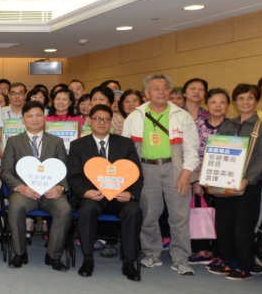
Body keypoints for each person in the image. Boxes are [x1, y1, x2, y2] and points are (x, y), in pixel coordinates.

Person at [121, 74, 199, 275]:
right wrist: (132, 175)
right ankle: (151, 253)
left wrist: (187, 171)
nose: (162, 92)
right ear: (146, 93)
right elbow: (125, 148)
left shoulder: (181, 115)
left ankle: (180, 258)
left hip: (175, 169)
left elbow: (192, 147)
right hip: (146, 170)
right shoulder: (135, 116)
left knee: (180, 216)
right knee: (149, 213)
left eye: (165, 88)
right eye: (156, 88)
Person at [202, 84, 262, 281]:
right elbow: (216, 151)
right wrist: (209, 177)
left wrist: (247, 180)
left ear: (256, 102)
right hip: (225, 183)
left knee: (243, 227)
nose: (245, 102)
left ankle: (245, 265)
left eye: (250, 98)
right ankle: (229, 262)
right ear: (235, 102)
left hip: (248, 185)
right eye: (241, 98)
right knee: (224, 225)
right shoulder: (228, 125)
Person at [69, 104, 143, 280]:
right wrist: (86, 192)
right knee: (87, 209)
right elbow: (74, 177)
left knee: (133, 210)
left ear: (111, 121)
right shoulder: (78, 145)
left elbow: (136, 175)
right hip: (92, 197)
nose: (101, 122)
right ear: (90, 121)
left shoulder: (125, 144)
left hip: (119, 196)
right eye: (97, 119)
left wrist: (130, 194)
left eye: (106, 119)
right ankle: (88, 259)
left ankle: (129, 263)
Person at [2, 101, 72, 270]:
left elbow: (65, 170)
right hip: (24, 192)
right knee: (15, 207)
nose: (34, 119)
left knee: (64, 209)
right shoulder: (13, 141)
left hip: (50, 192)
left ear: (44, 117)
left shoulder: (56, 141)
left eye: (38, 115)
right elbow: (6, 171)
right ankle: (20, 254)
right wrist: (21, 187)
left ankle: (53, 256)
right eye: (30, 116)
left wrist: (60, 187)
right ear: (23, 119)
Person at [190, 88, 230, 264]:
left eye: (222, 102)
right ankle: (202, 250)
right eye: (213, 102)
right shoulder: (196, 126)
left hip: (225, 178)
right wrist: (196, 180)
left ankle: (221, 253)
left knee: (223, 217)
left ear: (228, 106)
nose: (218, 106)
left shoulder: (233, 126)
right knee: (200, 213)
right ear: (206, 106)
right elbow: (190, 153)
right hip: (201, 178)